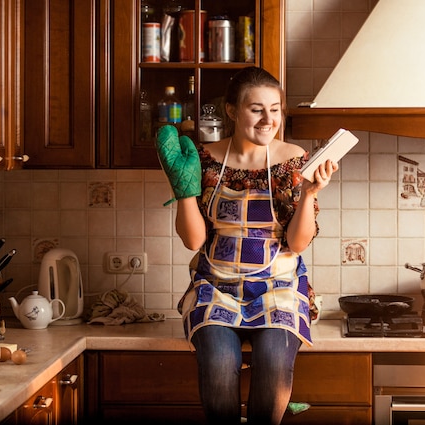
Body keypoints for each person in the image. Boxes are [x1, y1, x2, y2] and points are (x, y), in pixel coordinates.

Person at [156, 66, 337, 425]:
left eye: (275, 108)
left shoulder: (293, 160)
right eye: (257, 109)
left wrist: (308, 194)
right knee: (219, 363)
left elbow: (298, 243)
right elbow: (194, 240)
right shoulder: (203, 160)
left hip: (279, 289)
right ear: (231, 110)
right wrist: (184, 189)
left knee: (273, 361)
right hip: (216, 289)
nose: (269, 119)